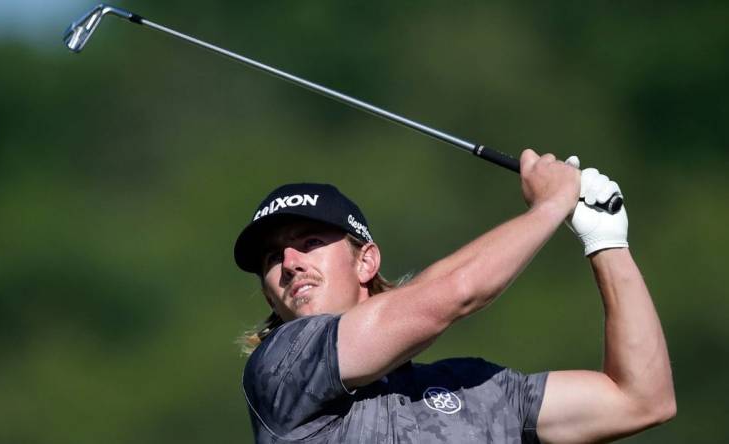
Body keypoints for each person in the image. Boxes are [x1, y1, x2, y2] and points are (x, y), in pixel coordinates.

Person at [233, 150, 676, 443]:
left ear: (366, 262)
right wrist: (550, 206)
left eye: (309, 242)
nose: (289, 261)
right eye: (272, 257)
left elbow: (640, 399)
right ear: (270, 297)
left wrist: (607, 242)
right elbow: (448, 295)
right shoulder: (280, 369)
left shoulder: (476, 388)